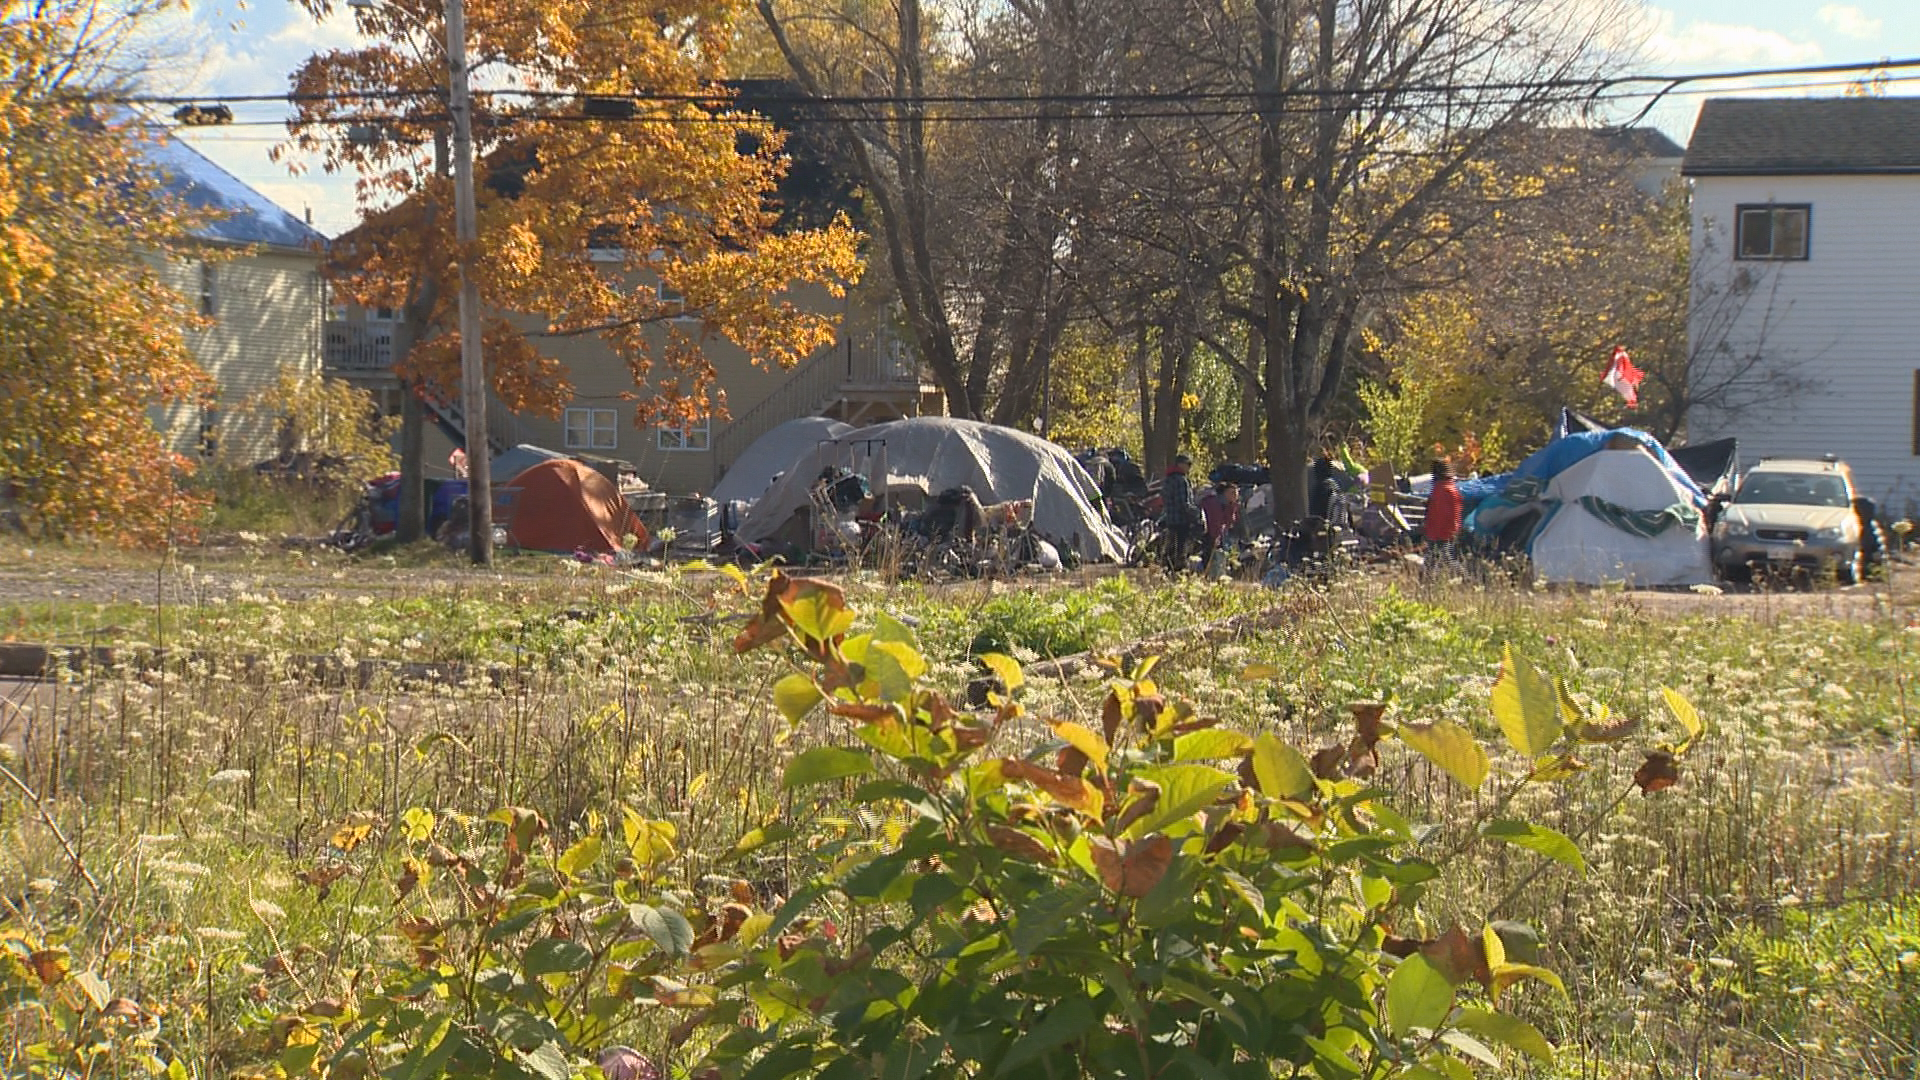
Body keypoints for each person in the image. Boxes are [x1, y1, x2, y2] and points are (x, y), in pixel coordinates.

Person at [1423, 458, 1463, 571]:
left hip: (1439, 533)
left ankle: (1468, 578)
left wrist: (1432, 531)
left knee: (1445, 559)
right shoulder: (1452, 488)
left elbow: (1438, 514)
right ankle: (1427, 583)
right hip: (1448, 531)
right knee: (1435, 560)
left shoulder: (1441, 489)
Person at [1160, 453, 1197, 573]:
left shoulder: (1167, 479)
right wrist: (1194, 514)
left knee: (1171, 545)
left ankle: (1167, 567)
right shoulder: (1181, 480)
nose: (1189, 468)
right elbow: (1183, 503)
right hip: (1182, 519)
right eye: (1188, 464)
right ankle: (1179, 570)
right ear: (1180, 464)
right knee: (1181, 547)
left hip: (1170, 518)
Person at [1197, 481, 1241, 577]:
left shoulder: (1227, 505)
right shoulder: (1213, 503)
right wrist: (1215, 539)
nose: (1235, 496)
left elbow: (1229, 522)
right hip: (1206, 534)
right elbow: (1214, 522)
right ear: (1224, 493)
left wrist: (1232, 506)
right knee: (1208, 556)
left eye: (1236, 493)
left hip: (1216, 535)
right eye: (1232, 493)